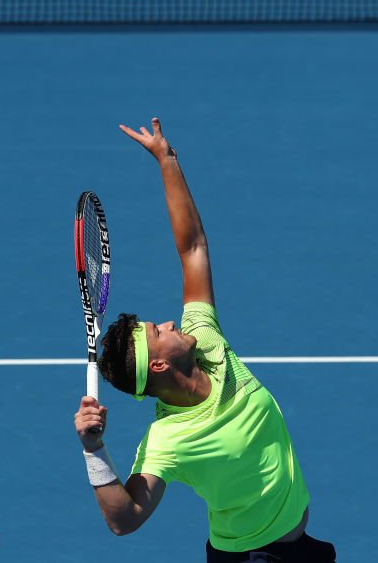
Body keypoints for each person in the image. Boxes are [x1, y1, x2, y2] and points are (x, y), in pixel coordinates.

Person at [73, 118, 336, 562]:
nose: (172, 325)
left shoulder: (207, 341)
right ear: (158, 366)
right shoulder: (168, 440)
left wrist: (167, 161)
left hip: (296, 544)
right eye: (159, 333)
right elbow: (124, 519)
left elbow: (192, 247)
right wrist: (94, 449)